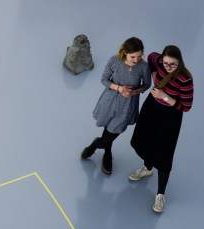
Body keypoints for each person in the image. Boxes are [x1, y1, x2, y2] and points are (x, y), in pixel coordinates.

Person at [128, 45, 194, 213]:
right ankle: (148, 168)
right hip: (151, 108)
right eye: (166, 63)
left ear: (179, 62)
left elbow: (186, 107)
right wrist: (153, 74)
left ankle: (160, 193)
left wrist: (164, 96)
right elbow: (151, 57)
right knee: (145, 139)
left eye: (173, 64)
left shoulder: (185, 79)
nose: (168, 67)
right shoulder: (157, 60)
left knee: (164, 153)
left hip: (170, 117)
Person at [80, 37, 151, 175]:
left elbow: (147, 84)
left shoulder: (144, 66)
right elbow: (104, 79)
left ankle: (95, 144)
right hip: (110, 101)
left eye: (139, 56)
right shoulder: (114, 60)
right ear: (124, 52)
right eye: (133, 56)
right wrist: (119, 88)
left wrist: (134, 91)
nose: (136, 60)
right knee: (108, 130)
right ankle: (107, 153)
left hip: (127, 105)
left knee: (111, 132)